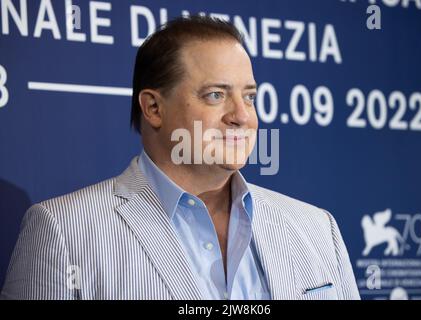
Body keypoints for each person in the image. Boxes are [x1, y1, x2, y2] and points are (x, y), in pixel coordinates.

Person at [1, 16, 360, 300]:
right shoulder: (64, 231)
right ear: (154, 108)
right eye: (216, 95)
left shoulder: (317, 229)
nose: (242, 116)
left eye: (249, 97)